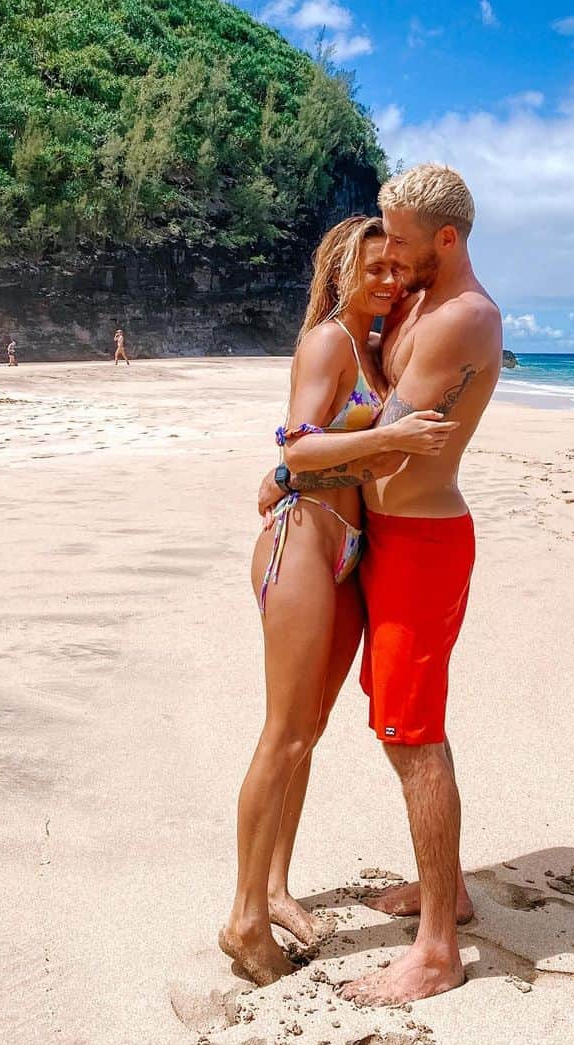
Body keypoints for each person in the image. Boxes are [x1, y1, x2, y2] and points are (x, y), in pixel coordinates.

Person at [258, 164, 502, 1006]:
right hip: (380, 540)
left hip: (424, 541)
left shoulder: (463, 317)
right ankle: (453, 895)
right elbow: (355, 414)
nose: (386, 253)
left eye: (399, 238)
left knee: (412, 735)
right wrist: (292, 468)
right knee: (372, 717)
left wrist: (298, 462)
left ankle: (437, 948)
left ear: (446, 238)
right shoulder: (413, 304)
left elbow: (394, 445)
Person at [219, 215, 458, 986]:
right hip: (304, 546)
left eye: (398, 270)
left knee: (311, 727)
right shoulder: (329, 341)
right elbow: (298, 444)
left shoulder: (379, 348)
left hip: (348, 551)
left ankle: (279, 888)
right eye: (375, 269)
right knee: (284, 732)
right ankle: (245, 920)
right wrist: (379, 445)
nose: (390, 282)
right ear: (339, 271)